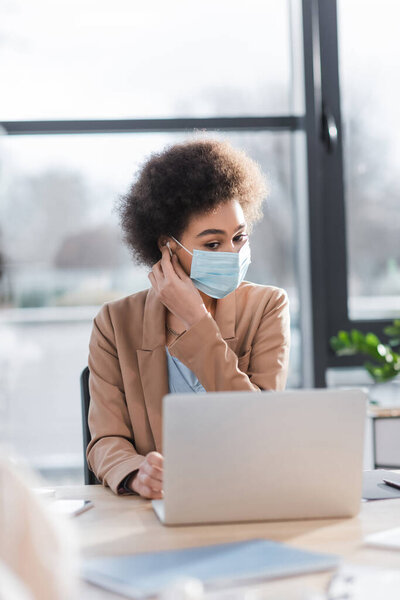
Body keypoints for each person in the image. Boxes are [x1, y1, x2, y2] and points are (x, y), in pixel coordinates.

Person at [86, 138, 290, 499]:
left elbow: (260, 425)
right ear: (167, 247)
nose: (232, 253)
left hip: (247, 496)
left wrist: (197, 322)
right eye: (213, 244)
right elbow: (106, 440)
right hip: (159, 508)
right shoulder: (115, 323)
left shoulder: (268, 306)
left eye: (239, 237)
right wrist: (136, 473)